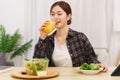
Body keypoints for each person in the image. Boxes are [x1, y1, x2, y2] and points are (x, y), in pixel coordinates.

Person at [33, 1, 108, 72]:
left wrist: (97, 64)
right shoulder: (48, 40)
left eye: (59, 14)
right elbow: (37, 64)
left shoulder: (80, 37)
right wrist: (42, 37)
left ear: (68, 17)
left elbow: (91, 58)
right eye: (52, 14)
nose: (55, 17)